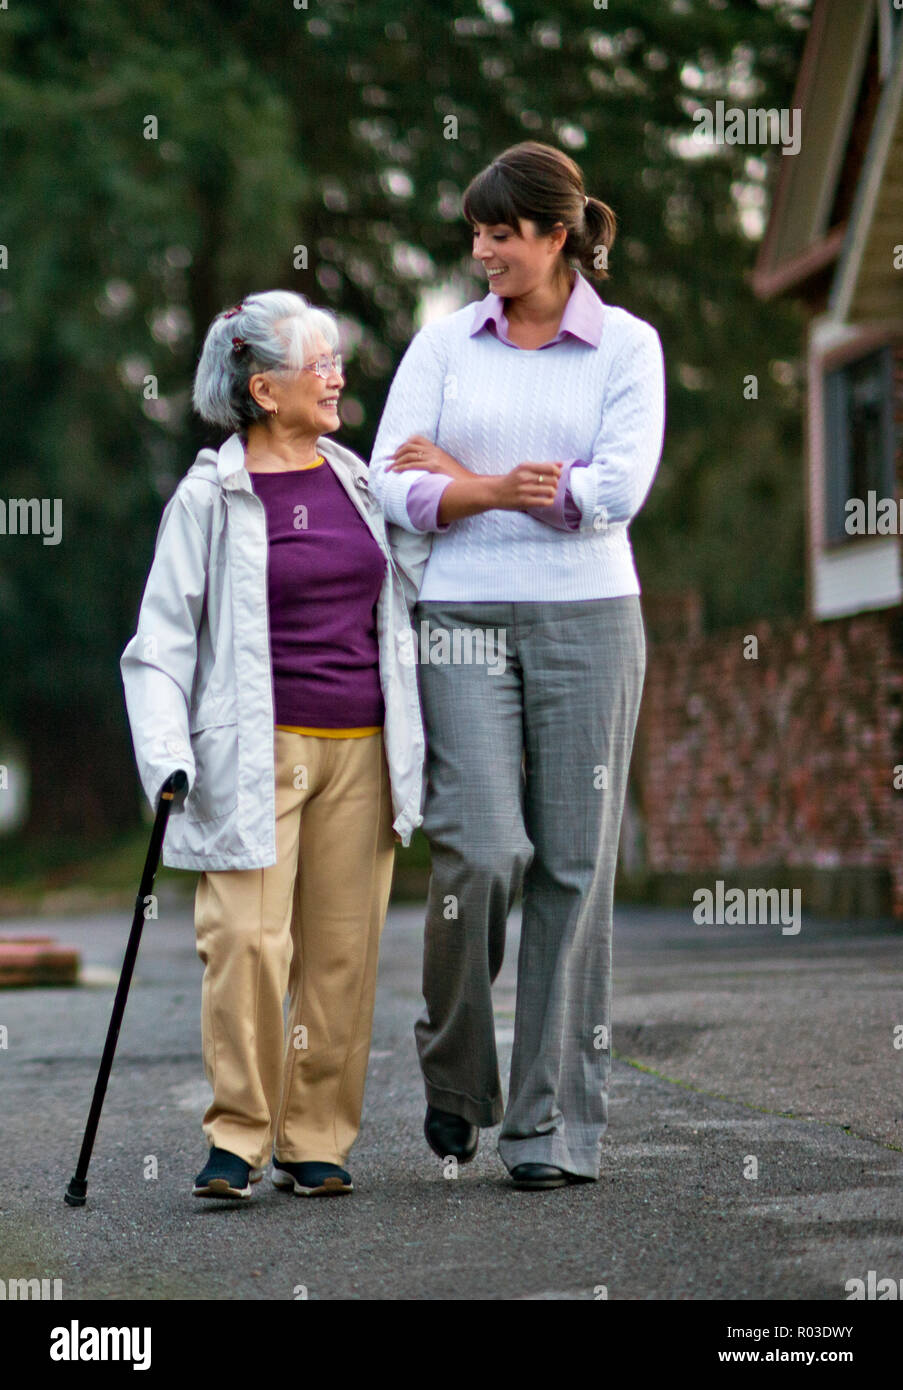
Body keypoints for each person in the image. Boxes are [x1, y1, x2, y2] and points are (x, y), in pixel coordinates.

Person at [368, 142, 666, 1190]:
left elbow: (613, 490)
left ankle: (549, 1129)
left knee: (575, 869)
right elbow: (388, 483)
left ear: (556, 235)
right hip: (461, 618)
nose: (484, 251)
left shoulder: (627, 347)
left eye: (502, 232)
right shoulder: (445, 343)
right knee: (483, 850)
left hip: (591, 617)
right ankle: (456, 1077)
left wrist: (468, 477)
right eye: (477, 234)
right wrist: (499, 490)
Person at [120, 290, 425, 1200]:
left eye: (336, 360)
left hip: (360, 748)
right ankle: (238, 1133)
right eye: (318, 364)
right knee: (245, 940)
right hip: (251, 753)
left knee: (341, 952)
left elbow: (408, 602)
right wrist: (165, 757)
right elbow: (158, 646)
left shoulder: (358, 480)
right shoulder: (211, 497)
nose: (337, 377)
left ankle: (316, 1136)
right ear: (263, 388)